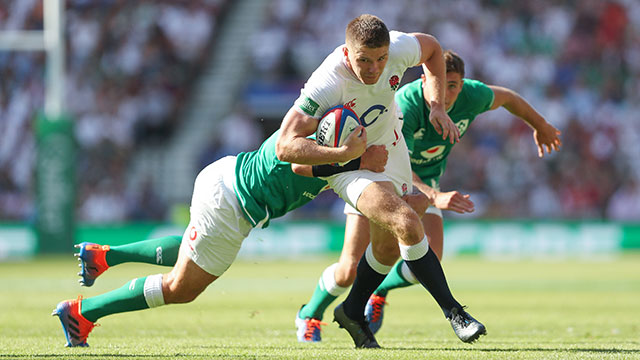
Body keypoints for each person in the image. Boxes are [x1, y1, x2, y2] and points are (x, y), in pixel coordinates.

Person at [292, 50, 563, 342]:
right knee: (348, 270)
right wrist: (437, 196)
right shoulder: (406, 106)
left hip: (424, 182)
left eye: (453, 85)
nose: (445, 93)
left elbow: (508, 97)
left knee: (429, 255)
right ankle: (310, 314)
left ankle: (379, 289)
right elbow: (397, 164)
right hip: (378, 176)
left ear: (463, 83)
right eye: (440, 83)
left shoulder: (473, 96)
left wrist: (541, 125)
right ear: (425, 80)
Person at [51, 128, 388, 347]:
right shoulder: (327, 144)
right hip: (233, 205)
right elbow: (300, 165)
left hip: (225, 175)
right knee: (181, 288)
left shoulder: (324, 129)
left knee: (190, 250)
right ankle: (83, 312)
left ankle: (104, 257)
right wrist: (352, 156)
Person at [274, 15, 486, 349]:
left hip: (390, 149)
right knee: (407, 221)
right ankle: (455, 312)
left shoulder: (399, 49)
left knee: (386, 250)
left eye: (380, 59)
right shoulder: (328, 82)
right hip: (348, 164)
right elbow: (285, 146)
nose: (374, 69)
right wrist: (347, 152)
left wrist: (436, 105)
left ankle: (352, 309)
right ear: (347, 53)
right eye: (363, 60)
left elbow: (432, 49)